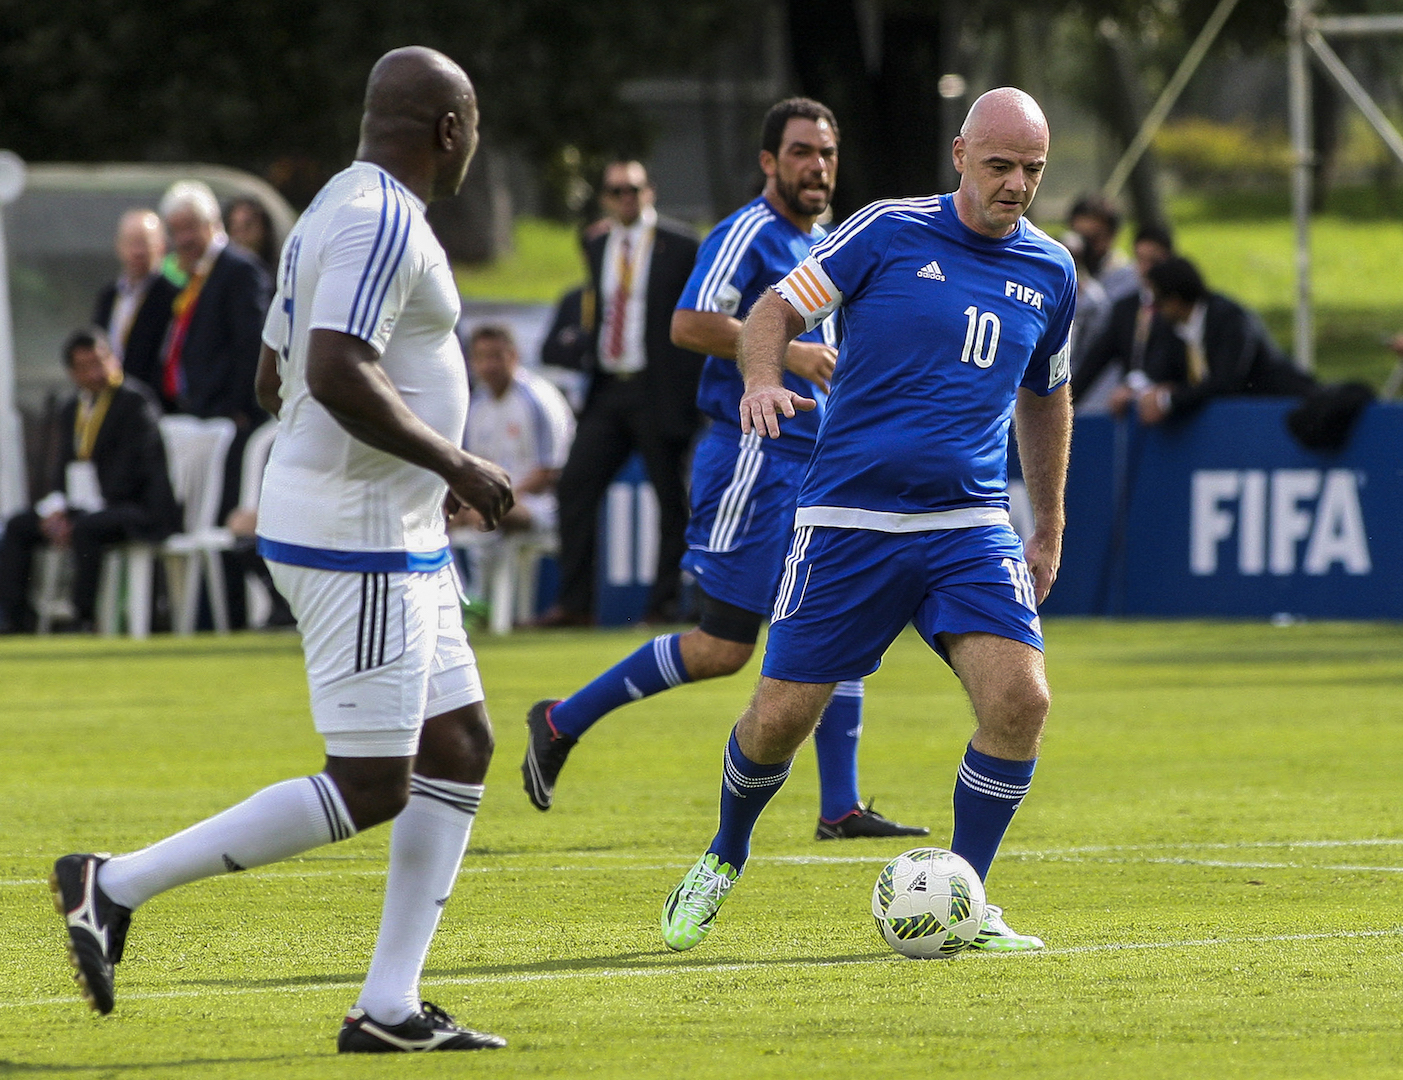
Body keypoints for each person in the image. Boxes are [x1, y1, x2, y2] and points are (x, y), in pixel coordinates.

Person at [49, 46, 513, 1054]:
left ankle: (389, 1008)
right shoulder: (385, 217)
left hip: (384, 527)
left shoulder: (332, 211)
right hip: (361, 539)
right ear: (447, 130)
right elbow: (333, 369)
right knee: (373, 781)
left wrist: (408, 477)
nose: (474, 136)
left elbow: (271, 377)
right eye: (471, 119)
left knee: (460, 745)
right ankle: (112, 885)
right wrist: (457, 464)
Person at [658, 87, 1075, 955]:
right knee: (777, 720)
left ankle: (964, 899)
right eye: (999, 165)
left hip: (967, 525)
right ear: (959, 154)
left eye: (1031, 170)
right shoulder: (886, 230)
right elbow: (772, 309)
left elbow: (1046, 393)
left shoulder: (1052, 271)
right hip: (849, 518)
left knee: (1020, 700)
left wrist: (1047, 524)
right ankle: (723, 854)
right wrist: (761, 381)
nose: (1015, 185)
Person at [520, 98, 927, 842]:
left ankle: (840, 807)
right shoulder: (748, 231)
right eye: (801, 151)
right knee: (721, 647)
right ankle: (559, 720)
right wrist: (792, 353)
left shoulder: (834, 239)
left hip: (822, 462)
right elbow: (688, 322)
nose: (818, 166)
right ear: (769, 162)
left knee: (840, 617)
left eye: (827, 152)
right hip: (754, 456)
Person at [535, 161, 702, 626]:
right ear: (605, 197)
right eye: (615, 191)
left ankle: (664, 604)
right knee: (575, 487)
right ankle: (574, 605)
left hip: (657, 388)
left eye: (633, 189)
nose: (625, 198)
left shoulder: (682, 243)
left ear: (650, 191)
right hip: (609, 386)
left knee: (670, 499)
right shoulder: (597, 242)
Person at [0, 329, 177, 633]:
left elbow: (136, 471)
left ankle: (83, 617)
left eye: (102, 361)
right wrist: (56, 509)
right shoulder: (73, 409)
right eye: (86, 367)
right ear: (73, 373)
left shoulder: (135, 402)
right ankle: (15, 618)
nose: (97, 373)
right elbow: (63, 467)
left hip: (136, 508)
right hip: (87, 505)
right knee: (18, 525)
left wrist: (80, 513)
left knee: (87, 528)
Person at [452, 324, 574, 604]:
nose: (489, 366)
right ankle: (460, 601)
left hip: (542, 503)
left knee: (491, 513)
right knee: (439, 515)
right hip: (493, 498)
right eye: (481, 357)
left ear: (514, 356)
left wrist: (500, 497)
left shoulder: (538, 399)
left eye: (497, 356)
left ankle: (482, 602)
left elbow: (551, 470)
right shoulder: (475, 404)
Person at [1133, 254, 1316, 425]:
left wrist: (1168, 400)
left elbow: (1225, 382)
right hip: (1244, 423)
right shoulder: (1174, 329)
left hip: (1286, 409)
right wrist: (1142, 390)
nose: (1155, 311)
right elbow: (1160, 371)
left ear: (1175, 301)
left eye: (1158, 302)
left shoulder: (1230, 319)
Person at [1071, 223, 1179, 416]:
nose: (1146, 269)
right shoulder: (1126, 308)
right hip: (1134, 412)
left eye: (1153, 261)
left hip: (1173, 409)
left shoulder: (1178, 307)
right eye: (1140, 260)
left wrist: (1138, 387)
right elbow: (1098, 357)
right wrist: (1065, 400)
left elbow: (1171, 356)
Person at [90, 209, 180, 392]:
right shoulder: (108, 296)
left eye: (144, 243)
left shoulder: (175, 298)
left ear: (161, 246)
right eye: (131, 243)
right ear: (119, 246)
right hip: (110, 399)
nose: (137, 252)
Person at [1067, 192, 1139, 302]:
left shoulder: (1124, 274)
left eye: (1092, 239)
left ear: (1112, 234)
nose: (1086, 247)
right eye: (1081, 238)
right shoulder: (1065, 269)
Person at [225, 194, 279, 271]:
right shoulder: (221, 275)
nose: (240, 235)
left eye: (248, 226)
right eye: (235, 227)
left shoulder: (280, 271)